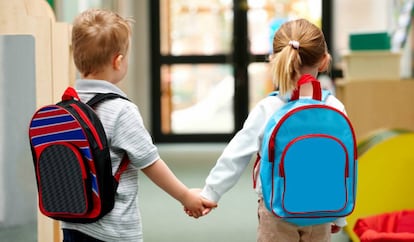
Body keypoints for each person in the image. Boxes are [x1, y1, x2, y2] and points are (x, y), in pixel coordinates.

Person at [62, 9, 216, 242]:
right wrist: (185, 196)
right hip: (113, 229)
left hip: (71, 221)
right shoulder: (121, 110)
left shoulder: (67, 104)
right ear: (118, 61)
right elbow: (149, 161)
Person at [192, 19, 347, 242]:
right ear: (324, 61)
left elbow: (236, 155)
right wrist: (339, 215)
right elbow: (341, 166)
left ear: (274, 60)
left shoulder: (268, 109)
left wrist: (210, 193)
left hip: (277, 210)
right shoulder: (335, 108)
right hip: (321, 210)